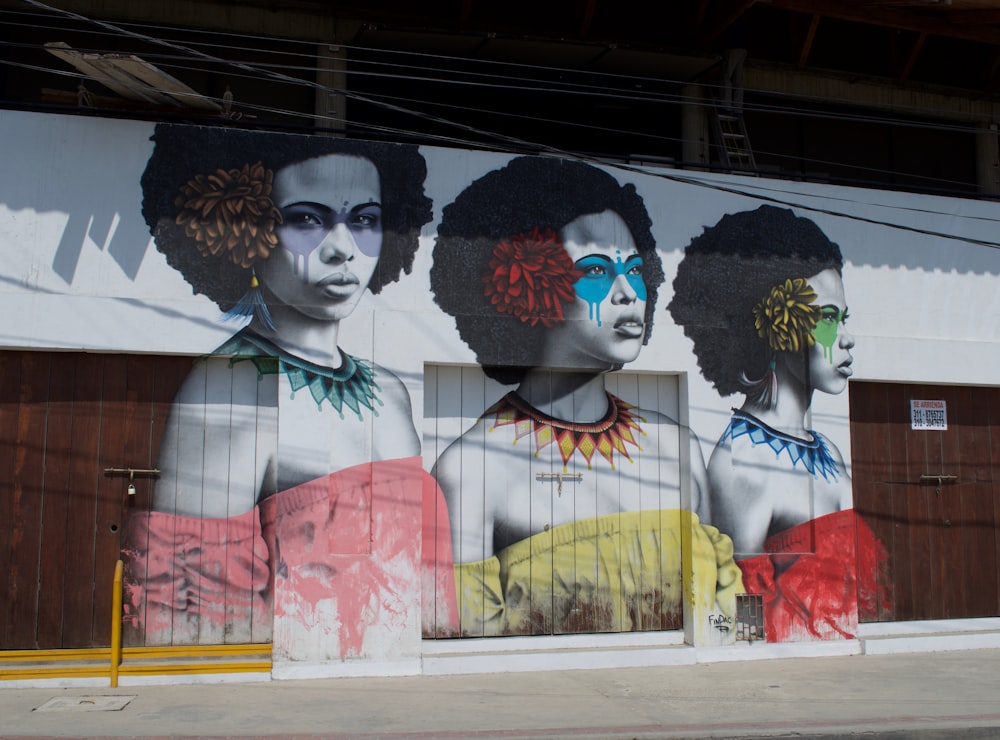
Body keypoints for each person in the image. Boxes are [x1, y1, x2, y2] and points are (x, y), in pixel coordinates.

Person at [126, 124, 456, 650]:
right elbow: (196, 608)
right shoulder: (228, 386)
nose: (343, 249)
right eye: (307, 219)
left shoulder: (390, 391)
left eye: (364, 220)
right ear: (246, 226)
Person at [430, 155, 742, 638]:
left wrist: (721, 643)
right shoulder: (471, 468)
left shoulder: (678, 447)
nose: (628, 292)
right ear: (531, 286)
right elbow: (463, 630)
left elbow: (718, 600)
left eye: (635, 270)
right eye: (597, 270)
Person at [669, 204, 886, 641]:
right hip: (782, 664)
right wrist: (747, 653)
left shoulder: (826, 448)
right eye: (827, 319)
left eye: (843, 319)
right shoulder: (741, 461)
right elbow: (735, 588)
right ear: (775, 325)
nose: (846, 337)